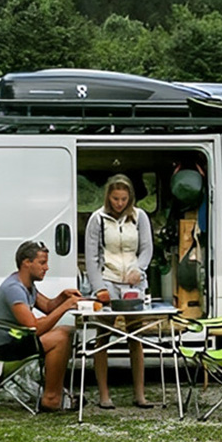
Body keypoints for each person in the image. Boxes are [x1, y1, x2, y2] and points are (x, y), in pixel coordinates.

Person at [0, 240, 81, 412]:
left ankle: (55, 394)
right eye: (42, 263)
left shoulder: (27, 286)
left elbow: (48, 306)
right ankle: (51, 399)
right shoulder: (14, 288)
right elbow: (34, 327)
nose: (47, 267)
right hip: (0, 350)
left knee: (67, 332)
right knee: (60, 337)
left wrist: (62, 297)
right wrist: (66, 307)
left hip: (13, 342)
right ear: (26, 263)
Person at [85, 174, 154, 409]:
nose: (119, 203)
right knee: (103, 336)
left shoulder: (139, 217)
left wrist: (139, 269)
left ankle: (140, 394)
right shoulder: (97, 219)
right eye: (115, 198)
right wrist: (99, 288)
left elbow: (146, 249)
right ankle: (104, 395)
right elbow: (92, 258)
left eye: (124, 199)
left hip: (134, 283)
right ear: (108, 197)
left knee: (136, 335)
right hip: (108, 279)